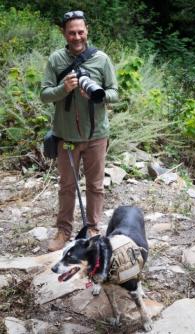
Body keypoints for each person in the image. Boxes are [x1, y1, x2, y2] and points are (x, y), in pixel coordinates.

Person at [40, 10, 118, 251]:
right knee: (66, 186)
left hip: (96, 136)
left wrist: (99, 96)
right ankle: (64, 231)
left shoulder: (101, 59)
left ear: (87, 31)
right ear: (64, 33)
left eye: (80, 32)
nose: (76, 37)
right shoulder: (56, 60)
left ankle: (93, 228)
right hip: (66, 138)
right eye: (71, 32)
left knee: (95, 186)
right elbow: (44, 95)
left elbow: (115, 93)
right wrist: (64, 88)